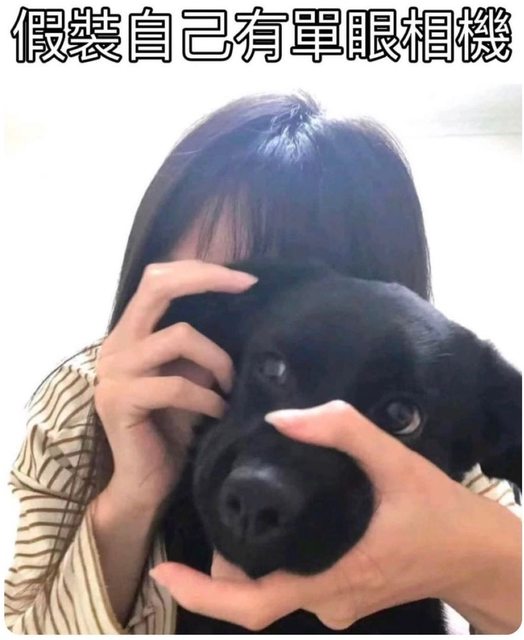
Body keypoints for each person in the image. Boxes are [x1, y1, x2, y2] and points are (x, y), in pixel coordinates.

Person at [4, 92, 521, 635]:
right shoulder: (78, 401)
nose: (218, 343)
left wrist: (479, 561)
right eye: (199, 300)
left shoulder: (437, 402)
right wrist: (132, 495)